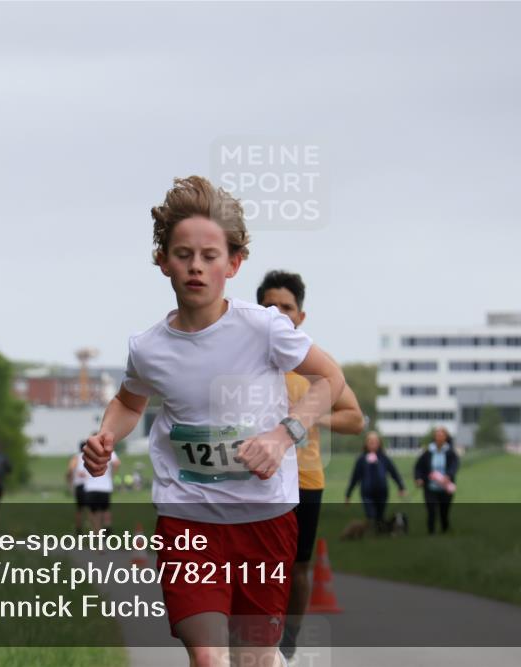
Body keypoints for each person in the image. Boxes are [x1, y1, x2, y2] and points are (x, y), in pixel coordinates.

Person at [84, 175, 346, 667]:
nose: (196, 267)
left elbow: (328, 379)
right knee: (208, 658)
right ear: (163, 261)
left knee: (256, 661)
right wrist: (105, 437)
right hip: (188, 521)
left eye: (210, 256)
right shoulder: (149, 348)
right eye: (183, 255)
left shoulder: (264, 328)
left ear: (234, 263)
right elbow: (128, 403)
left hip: (264, 521)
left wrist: (283, 435)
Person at [256, 269, 365, 661]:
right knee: (260, 566)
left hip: (304, 478)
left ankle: (288, 642)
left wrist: (312, 416)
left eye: (286, 307)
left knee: (298, 566)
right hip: (255, 478)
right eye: (269, 306)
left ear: (301, 316)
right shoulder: (244, 360)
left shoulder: (316, 366)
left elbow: (356, 418)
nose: (278, 313)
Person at [345, 432, 406, 528]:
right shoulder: (361, 459)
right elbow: (355, 477)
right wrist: (348, 494)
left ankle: (379, 533)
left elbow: (394, 472)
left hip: (382, 492)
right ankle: (371, 532)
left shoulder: (384, 458)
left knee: (380, 515)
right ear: (366, 443)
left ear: (379, 443)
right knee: (371, 514)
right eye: (371, 441)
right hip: (367, 493)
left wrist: (401, 487)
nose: (373, 444)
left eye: (375, 441)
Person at [413, 426, 460, 534]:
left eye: (441, 435)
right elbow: (418, 467)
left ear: (445, 437)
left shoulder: (450, 452)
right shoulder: (428, 452)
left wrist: (449, 475)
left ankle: (445, 528)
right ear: (434, 437)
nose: (439, 437)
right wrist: (418, 478)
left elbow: (455, 465)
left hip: (445, 486)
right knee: (431, 510)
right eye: (437, 435)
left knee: (444, 511)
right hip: (430, 487)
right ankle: (431, 532)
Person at [84, 446, 120, 531]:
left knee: (93, 511)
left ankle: (97, 531)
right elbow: (116, 463)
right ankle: (107, 528)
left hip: (91, 486)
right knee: (105, 509)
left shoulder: (88, 451)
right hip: (105, 486)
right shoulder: (108, 451)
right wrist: (111, 475)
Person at [67, 441, 90, 533]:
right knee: (92, 509)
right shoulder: (91, 458)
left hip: (79, 486)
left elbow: (70, 470)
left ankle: (79, 529)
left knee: (79, 509)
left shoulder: (76, 458)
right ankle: (92, 528)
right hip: (90, 486)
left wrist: (70, 483)